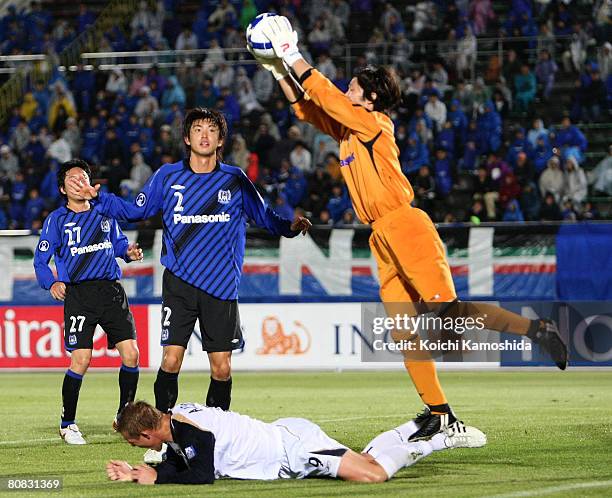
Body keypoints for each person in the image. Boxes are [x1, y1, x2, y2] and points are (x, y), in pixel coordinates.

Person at [251, 15, 568, 441]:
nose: (347, 91)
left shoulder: (374, 123)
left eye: (355, 88)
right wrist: (277, 70)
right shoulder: (349, 127)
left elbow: (326, 96)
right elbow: (307, 108)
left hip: (405, 224)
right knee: (402, 327)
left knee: (449, 315)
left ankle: (537, 330)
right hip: (381, 234)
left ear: (372, 97)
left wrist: (293, 55)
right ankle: (440, 413)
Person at [70, 108, 311, 456]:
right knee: (170, 360)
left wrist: (290, 227)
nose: (204, 135)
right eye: (197, 129)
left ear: (220, 140)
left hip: (222, 287)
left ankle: (217, 438)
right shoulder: (167, 177)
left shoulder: (235, 179)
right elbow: (135, 211)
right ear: (187, 138)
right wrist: (99, 198)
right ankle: (163, 439)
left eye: (211, 130)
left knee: (222, 368)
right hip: (180, 284)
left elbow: (266, 218)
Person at [107, 400, 486, 485]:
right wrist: (144, 470)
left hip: (293, 447)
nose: (134, 448)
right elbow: (185, 459)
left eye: (133, 444)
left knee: (372, 475)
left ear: (146, 434)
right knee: (368, 459)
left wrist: (157, 478)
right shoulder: (172, 423)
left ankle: (440, 439)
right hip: (286, 441)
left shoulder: (189, 431)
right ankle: (423, 423)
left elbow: (202, 472)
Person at [33, 159, 143, 445]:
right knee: (81, 359)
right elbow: (40, 260)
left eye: (84, 176)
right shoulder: (57, 220)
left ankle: (124, 415)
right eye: (73, 178)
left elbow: (119, 245)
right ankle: (67, 424)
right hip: (79, 295)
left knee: (131, 354)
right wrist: (52, 282)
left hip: (112, 292)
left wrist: (129, 252)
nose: (80, 181)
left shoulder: (105, 213)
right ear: (62, 188)